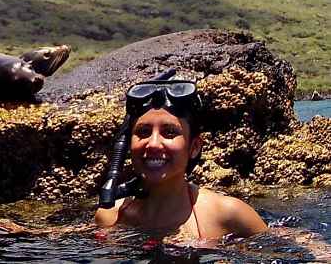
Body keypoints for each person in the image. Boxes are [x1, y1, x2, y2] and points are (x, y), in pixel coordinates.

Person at [94, 77, 267, 242]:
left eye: (169, 132)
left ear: (194, 148)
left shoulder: (229, 215)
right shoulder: (110, 217)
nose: (153, 144)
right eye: (143, 132)